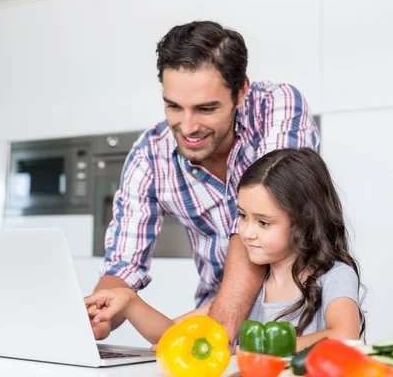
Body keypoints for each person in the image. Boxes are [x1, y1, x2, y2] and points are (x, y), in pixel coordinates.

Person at [88, 20, 320, 344]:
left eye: (206, 108)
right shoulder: (149, 155)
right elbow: (124, 265)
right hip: (214, 312)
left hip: (298, 320)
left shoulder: (277, 107)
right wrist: (98, 315)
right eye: (173, 106)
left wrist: (217, 335)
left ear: (241, 92)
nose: (187, 127)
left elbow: (261, 217)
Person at [85, 148, 364, 349]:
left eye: (263, 222)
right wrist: (129, 301)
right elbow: (170, 336)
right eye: (242, 216)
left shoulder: (334, 276)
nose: (247, 232)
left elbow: (344, 334)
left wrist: (264, 348)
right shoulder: (251, 287)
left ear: (304, 222)